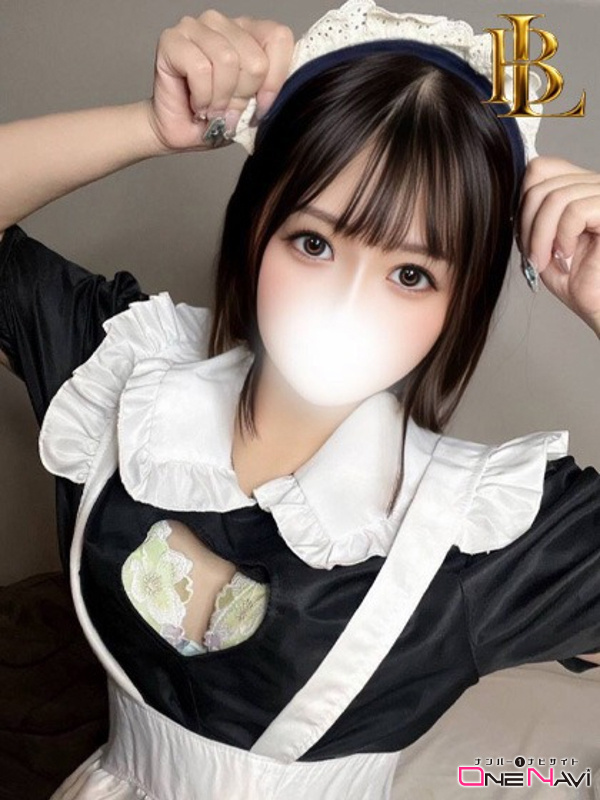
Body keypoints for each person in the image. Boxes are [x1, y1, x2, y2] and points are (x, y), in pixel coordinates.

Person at [1, 0, 600, 797]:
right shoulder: (125, 371)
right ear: (257, 228)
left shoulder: (478, 532)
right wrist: (150, 125)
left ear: (461, 303)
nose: (345, 305)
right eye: (313, 242)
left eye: (411, 274)